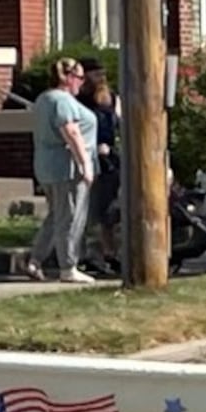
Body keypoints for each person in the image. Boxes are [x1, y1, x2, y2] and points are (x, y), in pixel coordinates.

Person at [27, 57, 98, 284]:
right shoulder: (62, 100)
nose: (82, 83)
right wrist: (85, 164)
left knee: (56, 216)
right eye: (79, 77)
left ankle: (35, 260)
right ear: (67, 78)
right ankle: (68, 266)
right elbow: (72, 132)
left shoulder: (43, 99)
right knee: (71, 217)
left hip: (47, 167)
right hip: (67, 168)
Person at [81, 73, 121, 274]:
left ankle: (107, 253)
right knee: (97, 212)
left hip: (108, 160)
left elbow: (118, 127)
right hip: (93, 158)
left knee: (104, 212)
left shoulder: (111, 100)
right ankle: (99, 253)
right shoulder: (81, 102)